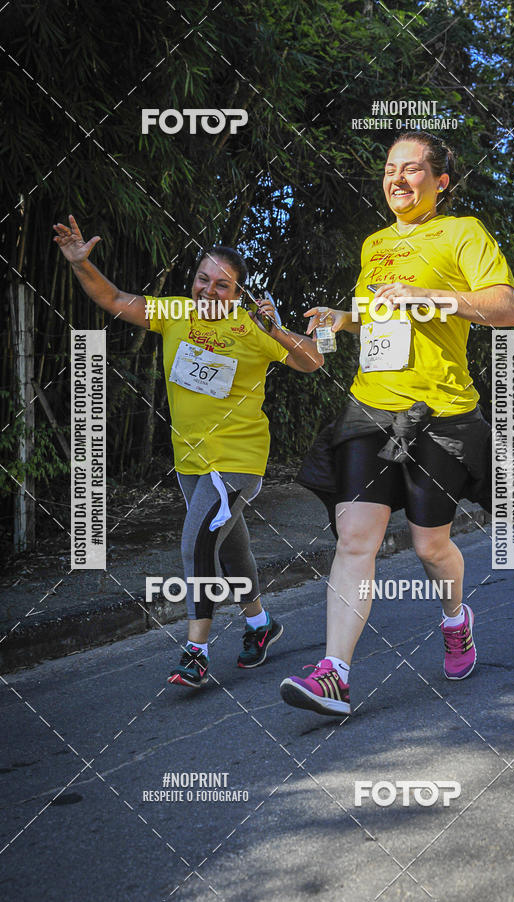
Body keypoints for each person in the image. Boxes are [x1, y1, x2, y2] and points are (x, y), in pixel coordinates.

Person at [280, 130, 514, 716]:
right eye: (391, 168)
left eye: (413, 169)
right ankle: (335, 674)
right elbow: (380, 321)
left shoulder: (462, 233)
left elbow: (508, 308)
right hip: (371, 406)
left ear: (440, 182)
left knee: (430, 543)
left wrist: (433, 295)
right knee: (354, 537)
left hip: (439, 412)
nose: (398, 178)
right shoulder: (374, 244)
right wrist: (343, 320)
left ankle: (455, 618)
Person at [53, 215, 323, 687]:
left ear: (237, 294)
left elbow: (312, 360)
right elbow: (113, 299)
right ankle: (261, 626)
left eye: (222, 285)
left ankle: (195, 651)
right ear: (192, 279)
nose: (208, 290)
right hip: (190, 461)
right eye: (203, 279)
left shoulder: (251, 325)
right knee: (233, 552)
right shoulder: (175, 312)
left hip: (237, 460)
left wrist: (275, 328)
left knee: (196, 542)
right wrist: (79, 265)